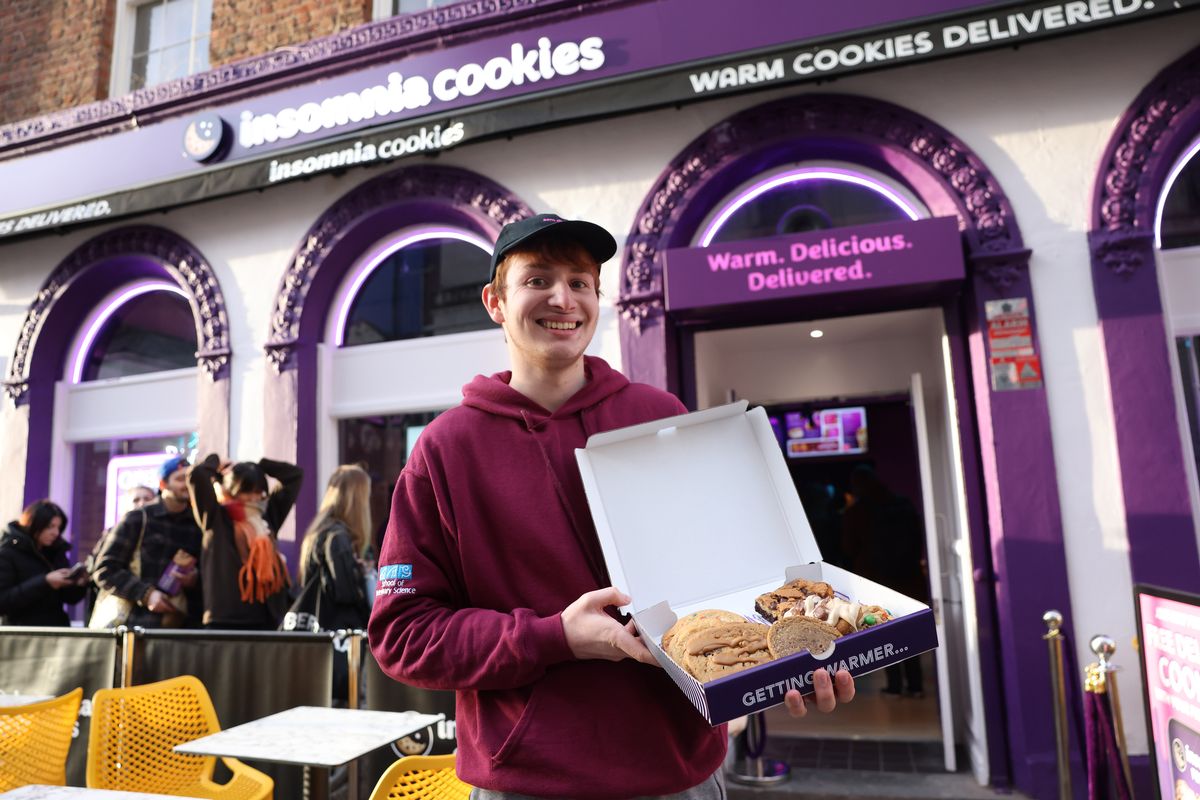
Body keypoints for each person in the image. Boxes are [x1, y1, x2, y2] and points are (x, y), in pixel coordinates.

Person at [369, 213, 855, 799]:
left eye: (580, 282)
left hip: (678, 772)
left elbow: (727, 577)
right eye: (537, 280)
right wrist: (553, 637)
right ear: (495, 302)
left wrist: (786, 655)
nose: (562, 298)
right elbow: (402, 635)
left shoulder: (659, 415)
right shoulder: (446, 448)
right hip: (527, 782)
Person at [840, 464, 927, 697]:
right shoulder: (903, 505)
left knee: (885, 633)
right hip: (908, 580)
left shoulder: (857, 512)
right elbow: (918, 539)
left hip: (876, 582)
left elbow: (848, 547)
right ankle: (916, 685)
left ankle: (894, 685)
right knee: (909, 633)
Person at [188, 454, 302, 629]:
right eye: (246, 492)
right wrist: (215, 463)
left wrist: (260, 465)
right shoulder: (215, 517)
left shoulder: (266, 517)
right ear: (232, 491)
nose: (253, 498)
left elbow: (294, 476)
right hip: (225, 620)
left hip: (266, 617)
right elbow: (197, 475)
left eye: (259, 492)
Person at [92, 456, 204, 628]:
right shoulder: (139, 518)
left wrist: (194, 579)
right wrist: (146, 594)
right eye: (180, 479)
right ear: (163, 484)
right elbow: (104, 569)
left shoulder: (198, 524)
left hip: (183, 628)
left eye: (190, 478)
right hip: (137, 627)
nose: (187, 484)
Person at [298, 464, 373, 701]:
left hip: (319, 641)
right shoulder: (338, 537)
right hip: (340, 642)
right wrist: (361, 576)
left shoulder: (318, 531)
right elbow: (346, 594)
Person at [0, 500, 87, 626]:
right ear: (33, 524)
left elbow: (69, 598)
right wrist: (45, 582)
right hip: (22, 632)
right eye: (50, 526)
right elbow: (3, 602)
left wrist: (78, 583)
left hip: (57, 630)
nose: (55, 533)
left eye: (58, 527)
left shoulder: (56, 552)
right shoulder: (8, 553)